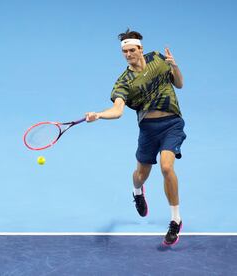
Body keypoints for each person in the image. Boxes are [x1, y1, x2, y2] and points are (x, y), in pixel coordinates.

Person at [86, 29, 186, 246]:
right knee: (140, 175)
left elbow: (179, 84)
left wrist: (175, 65)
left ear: (140, 48)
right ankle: (137, 191)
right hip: (148, 129)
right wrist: (100, 115)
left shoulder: (158, 59)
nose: (128, 54)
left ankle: (175, 220)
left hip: (172, 123)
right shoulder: (123, 82)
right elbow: (118, 110)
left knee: (167, 167)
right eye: (125, 51)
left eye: (132, 50)